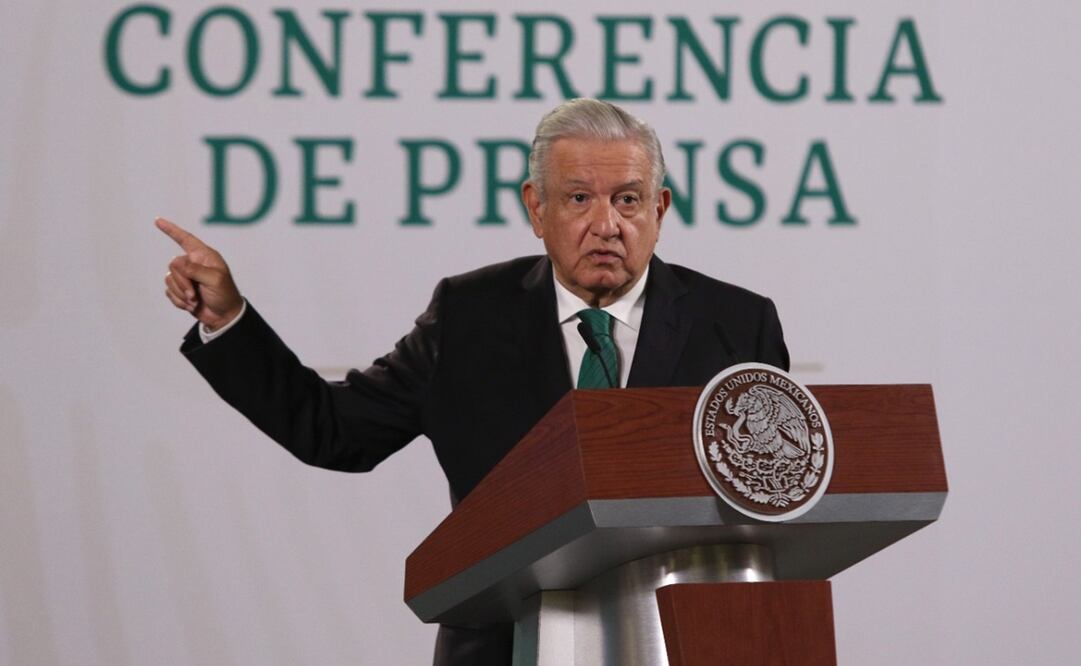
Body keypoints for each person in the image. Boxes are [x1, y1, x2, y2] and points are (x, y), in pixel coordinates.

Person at [159, 99, 789, 665]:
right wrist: (229, 320)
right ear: (535, 209)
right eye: (578, 198)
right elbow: (334, 431)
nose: (606, 224)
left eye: (627, 199)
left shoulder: (735, 325)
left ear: (660, 208)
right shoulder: (469, 316)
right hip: (502, 646)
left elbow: (778, 494)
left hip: (688, 645)